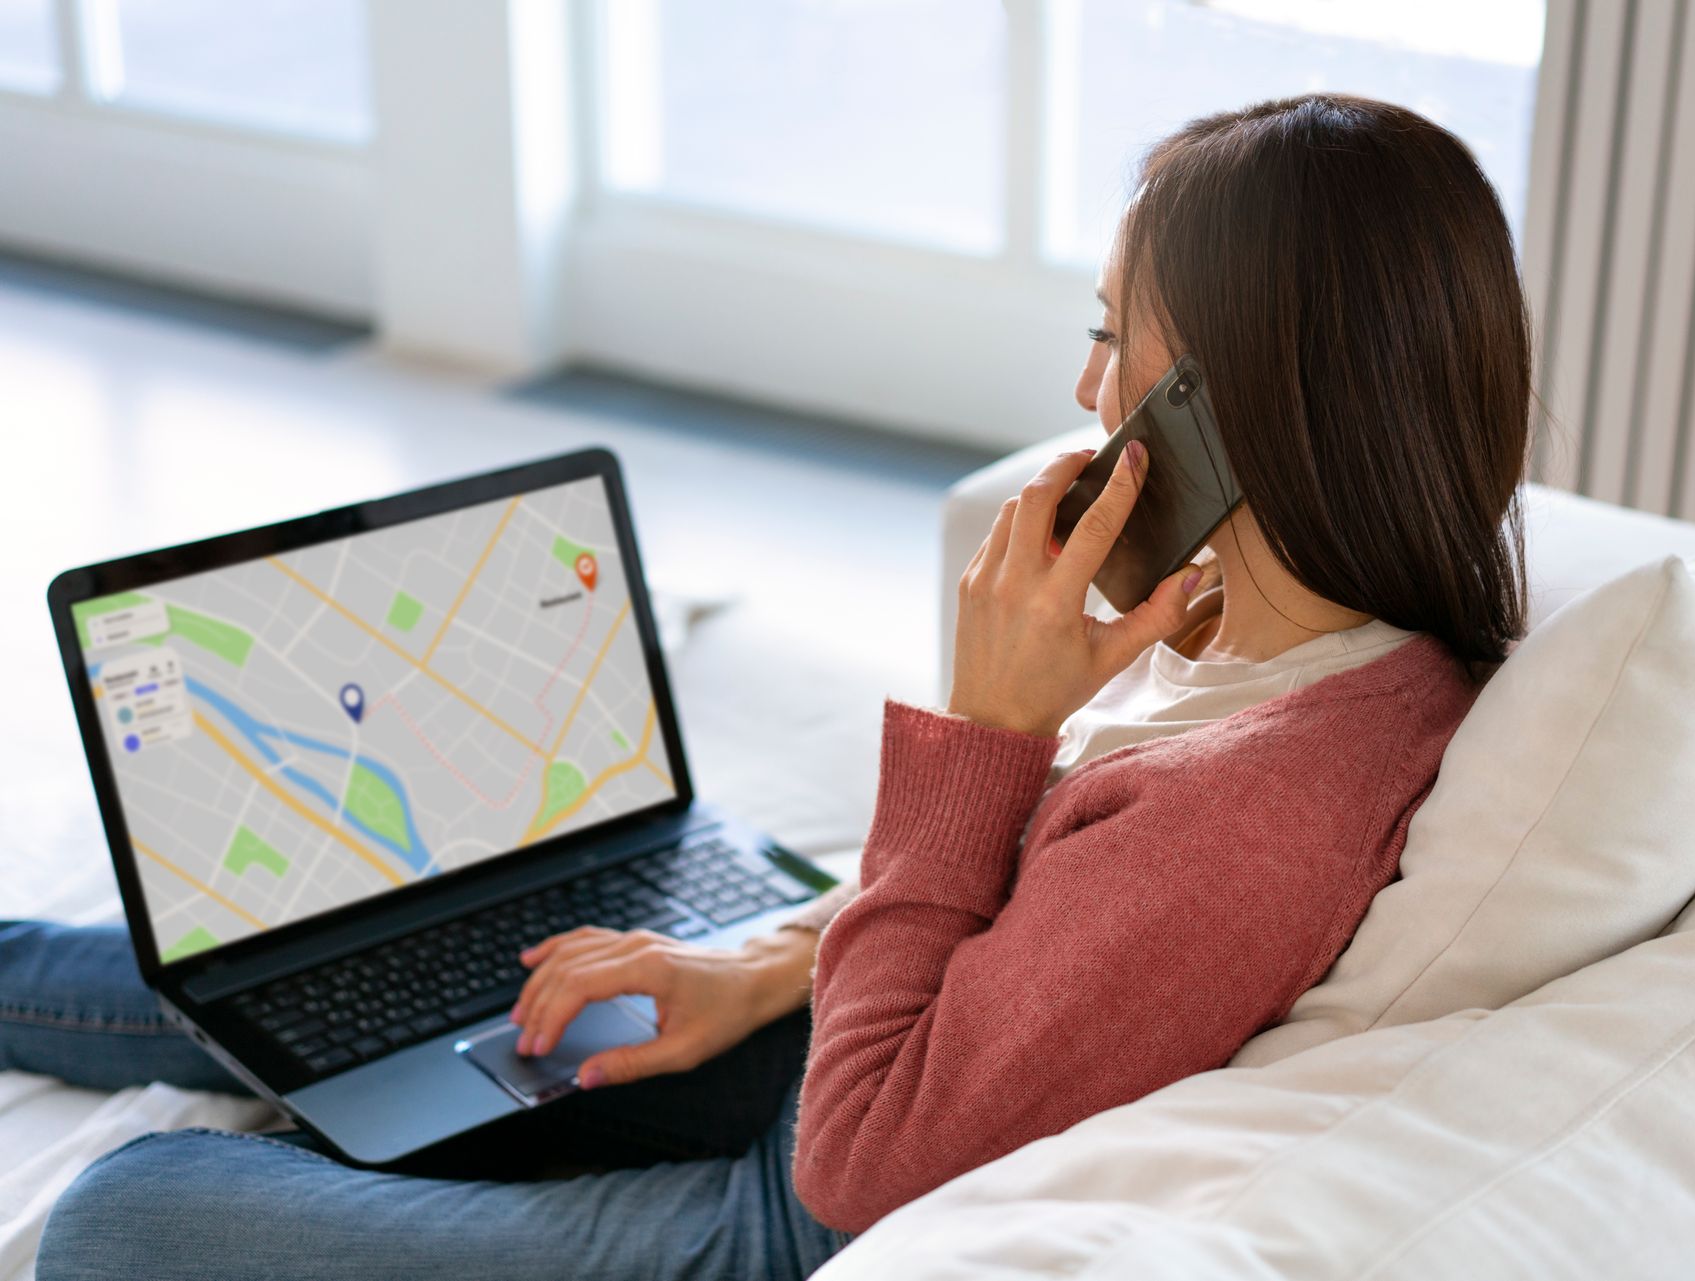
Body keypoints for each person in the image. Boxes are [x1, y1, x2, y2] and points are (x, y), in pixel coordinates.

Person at [15, 92, 1532, 1279]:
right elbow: (1012, 943)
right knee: (363, 967)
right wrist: (761, 962)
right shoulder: (1331, 658)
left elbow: (861, 1163)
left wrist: (987, 730)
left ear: (1222, 404)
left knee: (123, 1219)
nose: (1082, 393)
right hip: (842, 1033)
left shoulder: (1244, 823)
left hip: (804, 1213)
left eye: (1108, 339)